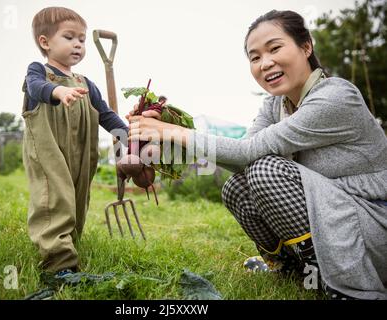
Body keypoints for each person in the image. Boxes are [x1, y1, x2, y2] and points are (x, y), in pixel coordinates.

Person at [127, 10, 387, 300]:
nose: (266, 63)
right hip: (334, 213)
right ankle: (292, 270)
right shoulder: (275, 104)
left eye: (275, 48)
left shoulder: (335, 98)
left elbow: (249, 152)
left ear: (306, 47)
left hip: (371, 229)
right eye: (255, 57)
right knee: (237, 186)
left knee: (265, 170)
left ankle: (330, 279)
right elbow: (242, 159)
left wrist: (171, 132)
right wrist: (166, 128)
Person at [21, 7, 128, 281]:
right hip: (48, 151)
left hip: (81, 152)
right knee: (55, 198)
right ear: (45, 42)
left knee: (78, 198)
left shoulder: (86, 84)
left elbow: (106, 115)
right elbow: (34, 87)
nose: (78, 44)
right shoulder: (39, 72)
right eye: (69, 37)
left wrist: (129, 136)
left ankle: (68, 242)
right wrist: (57, 90)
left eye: (81, 39)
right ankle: (58, 264)